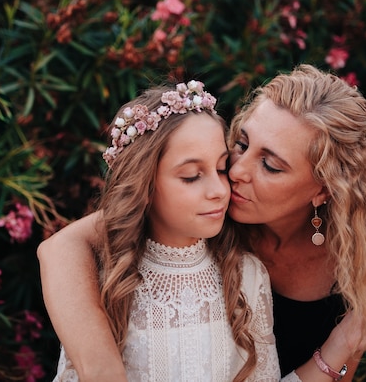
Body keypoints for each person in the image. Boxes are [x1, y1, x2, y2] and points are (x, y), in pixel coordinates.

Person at [39, 65, 366, 381]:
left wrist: (344, 343)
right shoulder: (189, 217)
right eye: (241, 144)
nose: (235, 173)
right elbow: (61, 247)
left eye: (270, 165)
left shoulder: (347, 264)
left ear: (324, 191)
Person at [52, 81, 282, 381]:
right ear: (144, 187)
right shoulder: (100, 280)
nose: (219, 190)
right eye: (191, 176)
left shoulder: (247, 275)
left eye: (222, 168)